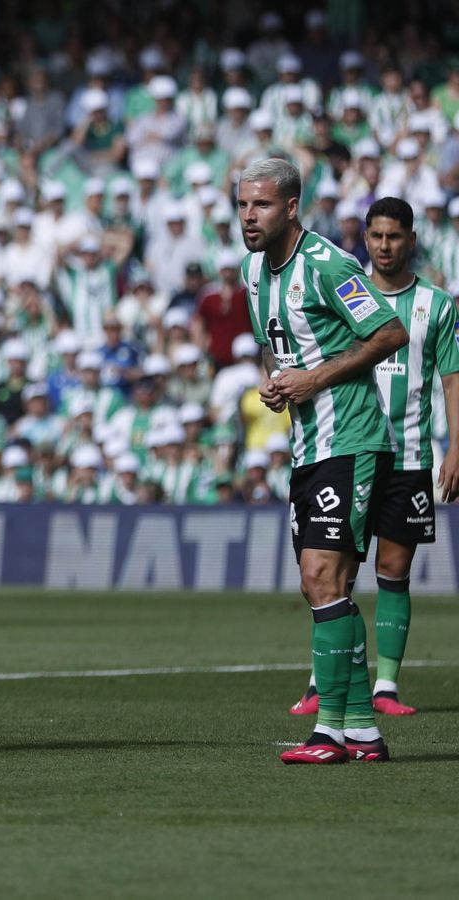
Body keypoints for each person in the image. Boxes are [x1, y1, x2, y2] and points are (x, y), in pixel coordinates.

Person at [240, 158, 409, 764]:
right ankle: (361, 729)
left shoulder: (328, 265)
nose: (248, 217)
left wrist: (312, 379)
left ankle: (328, 733)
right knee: (324, 587)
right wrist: (277, 382)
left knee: (320, 577)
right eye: (241, 206)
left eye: (259, 205)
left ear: (290, 208)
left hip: (354, 440)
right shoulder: (253, 274)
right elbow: (273, 343)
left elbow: (389, 332)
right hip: (309, 447)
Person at [288, 196, 459, 719]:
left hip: (409, 455)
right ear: (366, 237)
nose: (385, 246)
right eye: (376, 236)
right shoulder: (343, 289)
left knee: (393, 567)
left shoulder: (437, 305)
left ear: (410, 239)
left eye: (394, 236)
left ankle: (385, 685)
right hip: (349, 447)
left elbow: (452, 378)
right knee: (333, 569)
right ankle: (324, 679)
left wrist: (455, 448)